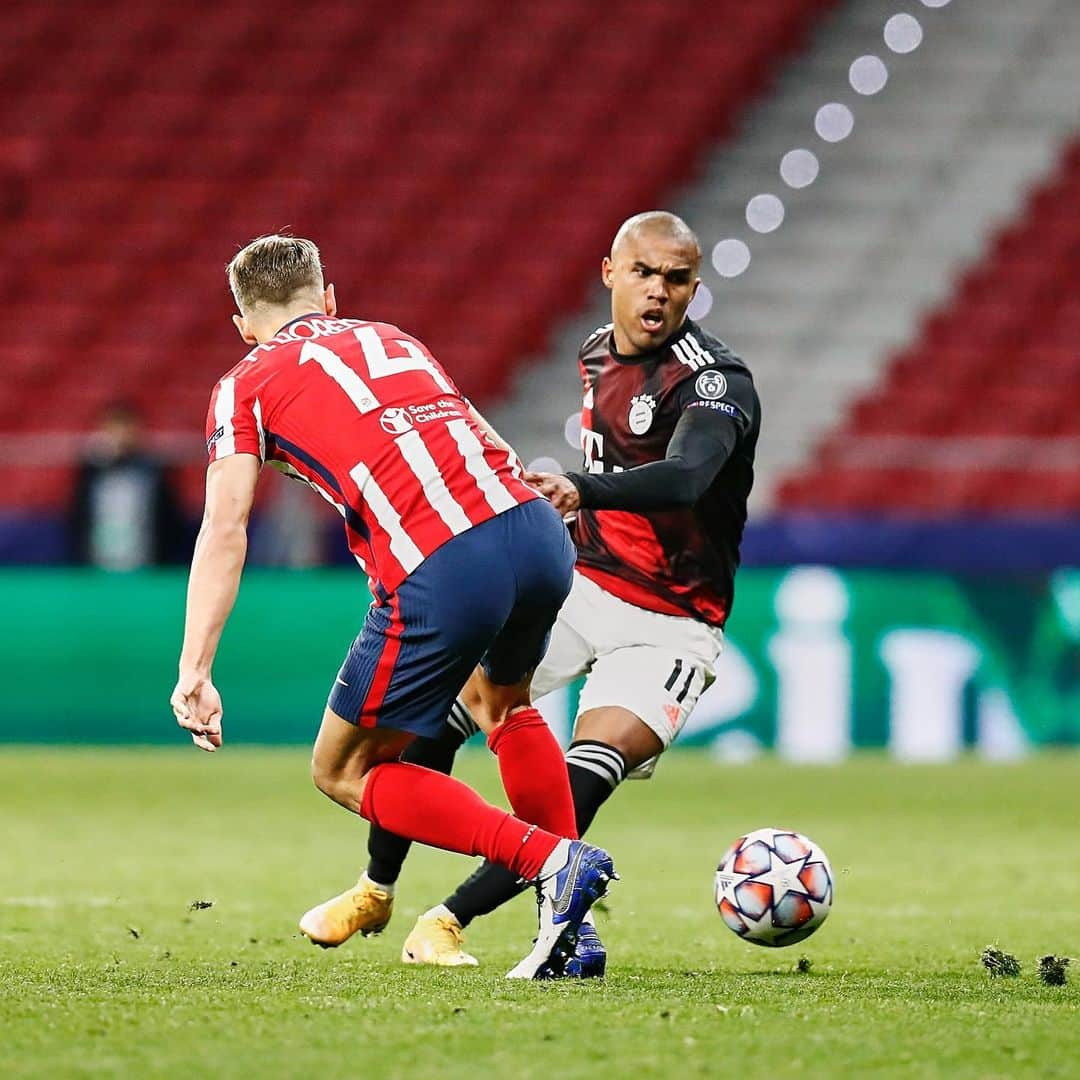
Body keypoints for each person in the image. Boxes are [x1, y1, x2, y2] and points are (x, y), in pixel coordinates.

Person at [299, 211, 760, 976]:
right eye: (643, 273)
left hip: (672, 620)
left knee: (586, 772)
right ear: (610, 272)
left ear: (694, 289)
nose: (659, 293)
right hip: (583, 586)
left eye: (677, 280)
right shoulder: (592, 354)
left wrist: (579, 487)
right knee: (431, 724)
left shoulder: (715, 381)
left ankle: (449, 920)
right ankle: (375, 889)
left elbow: (689, 478)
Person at [169, 235, 616, 980]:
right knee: (500, 701)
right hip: (533, 530)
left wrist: (195, 667)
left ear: (244, 325)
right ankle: (570, 928)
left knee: (343, 768)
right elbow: (474, 434)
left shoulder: (243, 381)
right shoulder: (389, 336)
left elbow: (225, 527)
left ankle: (552, 862)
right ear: (330, 297)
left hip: (444, 562)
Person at [69, 400, 186, 569]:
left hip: (146, 565)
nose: (120, 435)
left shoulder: (155, 471)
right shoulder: (90, 472)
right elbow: (79, 517)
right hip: (97, 565)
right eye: (114, 428)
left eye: (125, 428)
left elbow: (168, 519)